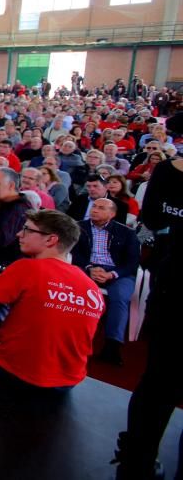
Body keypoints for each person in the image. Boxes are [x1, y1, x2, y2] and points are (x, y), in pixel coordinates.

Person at [112, 125, 183, 479]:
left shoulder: (167, 171)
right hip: (171, 286)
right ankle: (137, 458)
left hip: (169, 280)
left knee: (159, 383)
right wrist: (152, 260)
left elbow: (149, 225)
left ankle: (137, 458)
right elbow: (147, 225)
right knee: (159, 382)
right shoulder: (166, 172)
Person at [0, 210, 102, 389]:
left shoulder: (27, 268)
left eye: (27, 230)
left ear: (50, 239)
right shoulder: (92, 287)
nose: (19, 234)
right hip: (69, 380)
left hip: (17, 373)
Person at [70, 198, 140, 365]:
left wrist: (112, 274)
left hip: (117, 273)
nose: (95, 210)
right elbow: (72, 253)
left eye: (101, 208)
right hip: (87, 269)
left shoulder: (127, 233)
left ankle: (112, 345)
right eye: (94, 206)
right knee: (74, 288)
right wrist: (89, 268)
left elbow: (133, 263)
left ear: (112, 214)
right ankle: (70, 336)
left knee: (120, 297)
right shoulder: (78, 227)